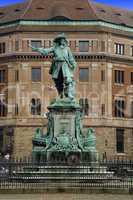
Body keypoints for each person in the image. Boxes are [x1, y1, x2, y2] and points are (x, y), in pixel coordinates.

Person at [30, 33, 77, 100]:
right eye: (61, 39)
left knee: (68, 79)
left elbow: (71, 58)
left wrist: (73, 65)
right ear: (59, 41)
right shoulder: (55, 48)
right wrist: (37, 49)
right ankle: (60, 94)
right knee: (58, 82)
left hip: (65, 65)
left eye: (64, 40)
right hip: (57, 66)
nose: (63, 41)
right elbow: (46, 51)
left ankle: (69, 94)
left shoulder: (67, 49)